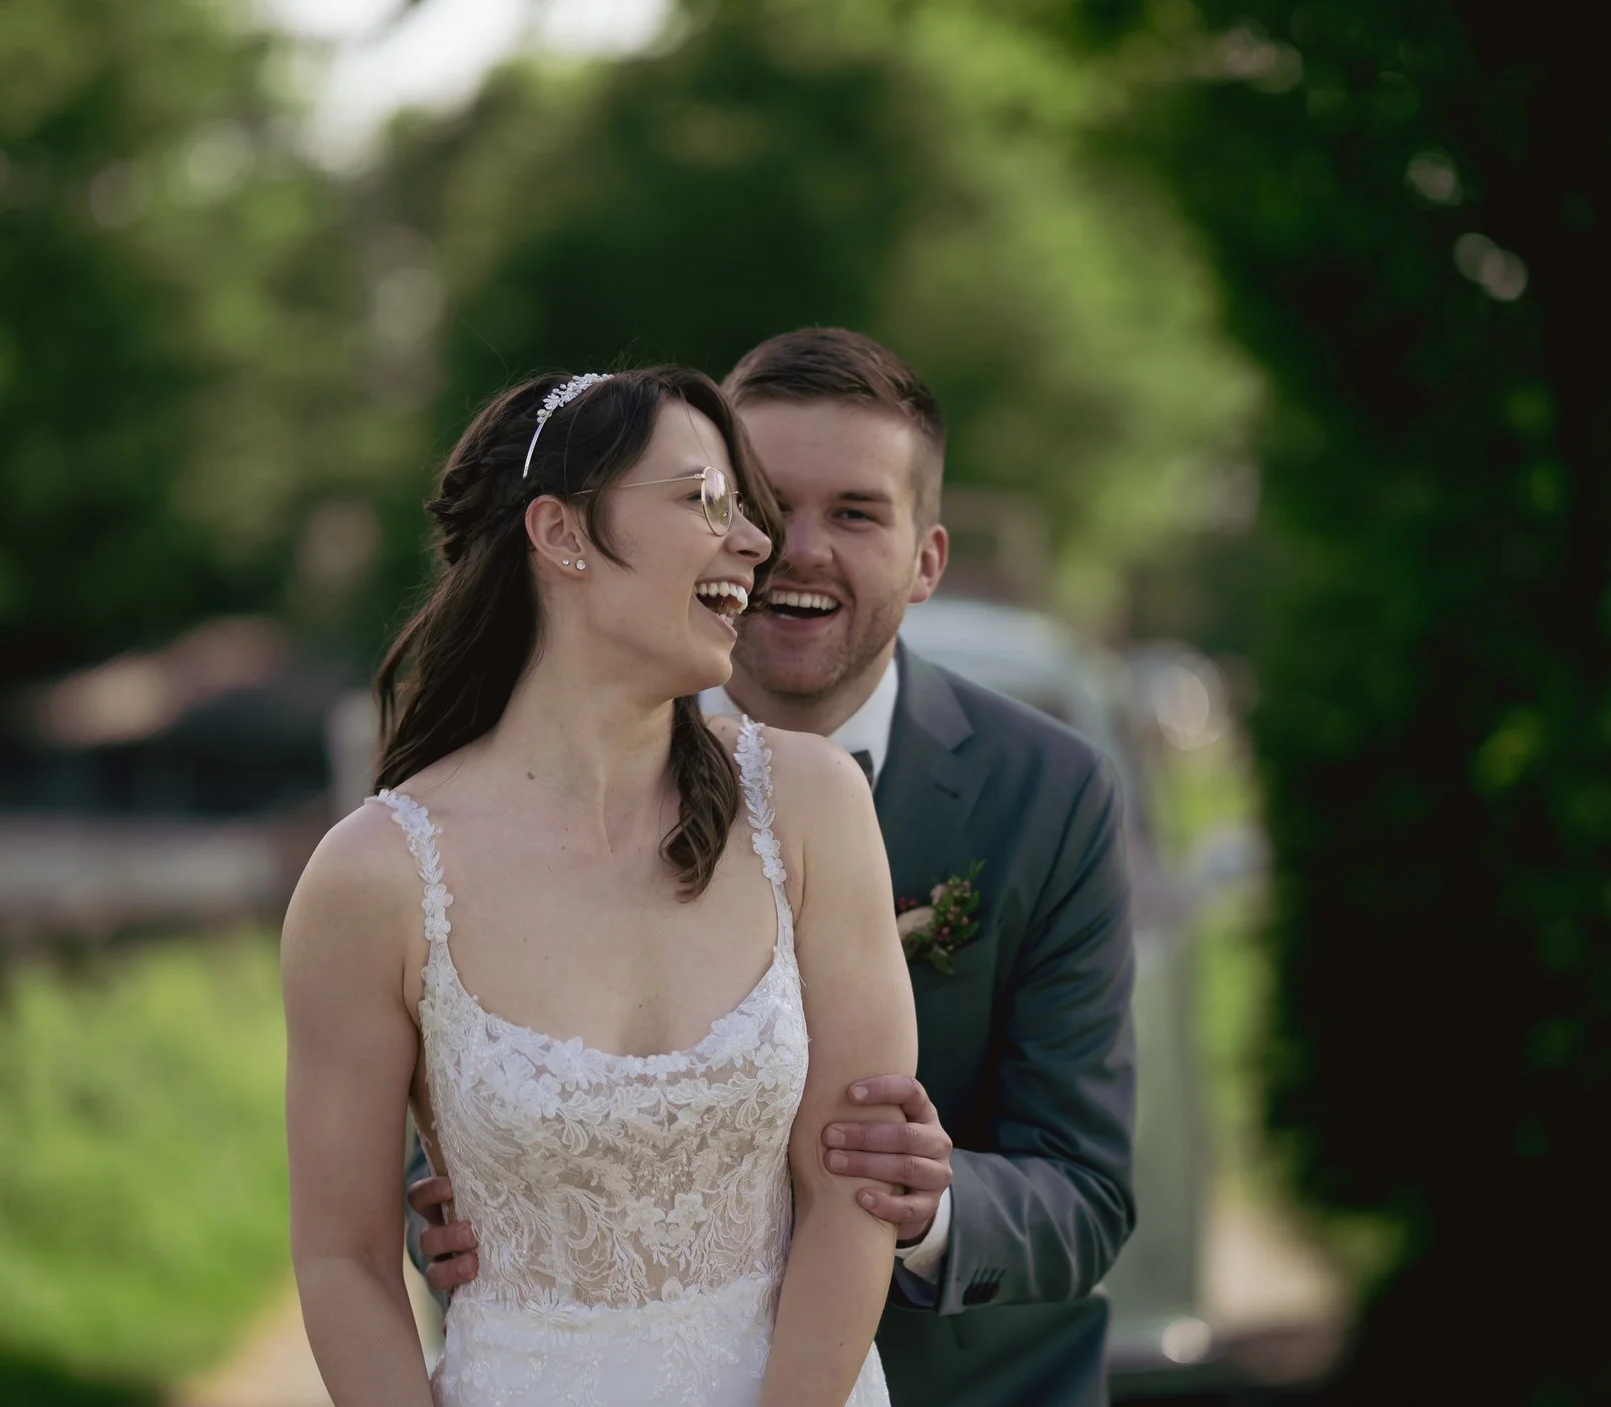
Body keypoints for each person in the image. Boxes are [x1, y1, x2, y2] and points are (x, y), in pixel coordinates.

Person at [410, 330, 1139, 1407]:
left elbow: (1087, 1192)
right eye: (756, 503)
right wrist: (462, 1209)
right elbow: (453, 1080)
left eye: (855, 514)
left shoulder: (1051, 793)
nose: (792, 549)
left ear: (927, 562)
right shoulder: (516, 800)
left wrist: (926, 1206)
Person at [283, 365, 916, 1407]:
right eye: (704, 500)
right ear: (561, 533)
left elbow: (852, 1187)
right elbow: (342, 1259)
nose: (754, 544)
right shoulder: (376, 877)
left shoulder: (810, 806)